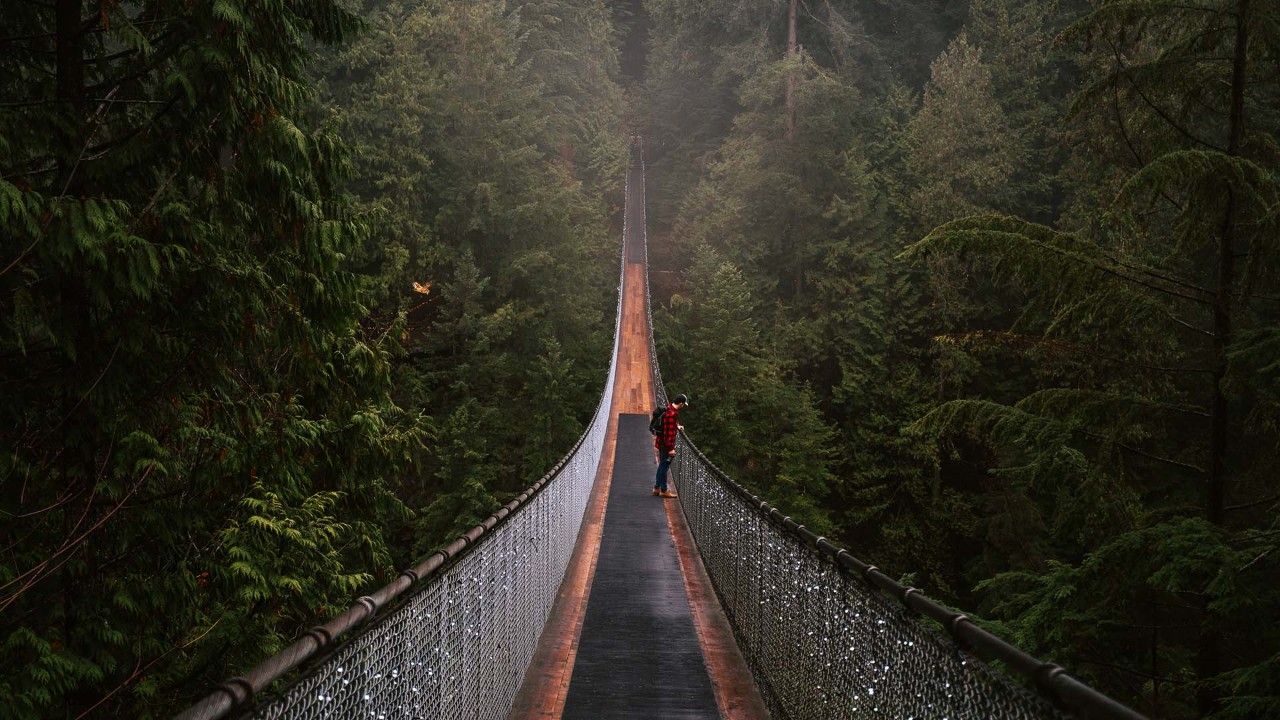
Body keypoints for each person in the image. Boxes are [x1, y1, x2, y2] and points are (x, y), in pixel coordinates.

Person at [653, 393, 688, 498]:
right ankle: (663, 490)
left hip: (661, 443)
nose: (683, 407)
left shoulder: (669, 408)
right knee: (664, 466)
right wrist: (671, 449)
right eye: (683, 405)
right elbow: (668, 433)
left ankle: (656, 488)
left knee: (662, 465)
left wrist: (677, 425)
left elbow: (667, 425)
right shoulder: (672, 415)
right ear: (681, 403)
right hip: (665, 446)